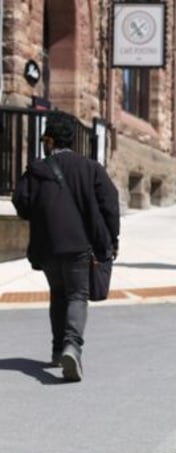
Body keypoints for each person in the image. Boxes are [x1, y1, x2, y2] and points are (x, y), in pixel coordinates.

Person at [12, 111, 120, 382]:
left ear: (49, 140)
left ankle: (57, 349)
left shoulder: (35, 170)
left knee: (58, 294)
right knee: (76, 296)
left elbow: (21, 202)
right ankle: (72, 346)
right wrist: (111, 239)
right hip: (79, 246)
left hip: (46, 247)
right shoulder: (90, 168)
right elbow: (110, 203)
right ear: (71, 140)